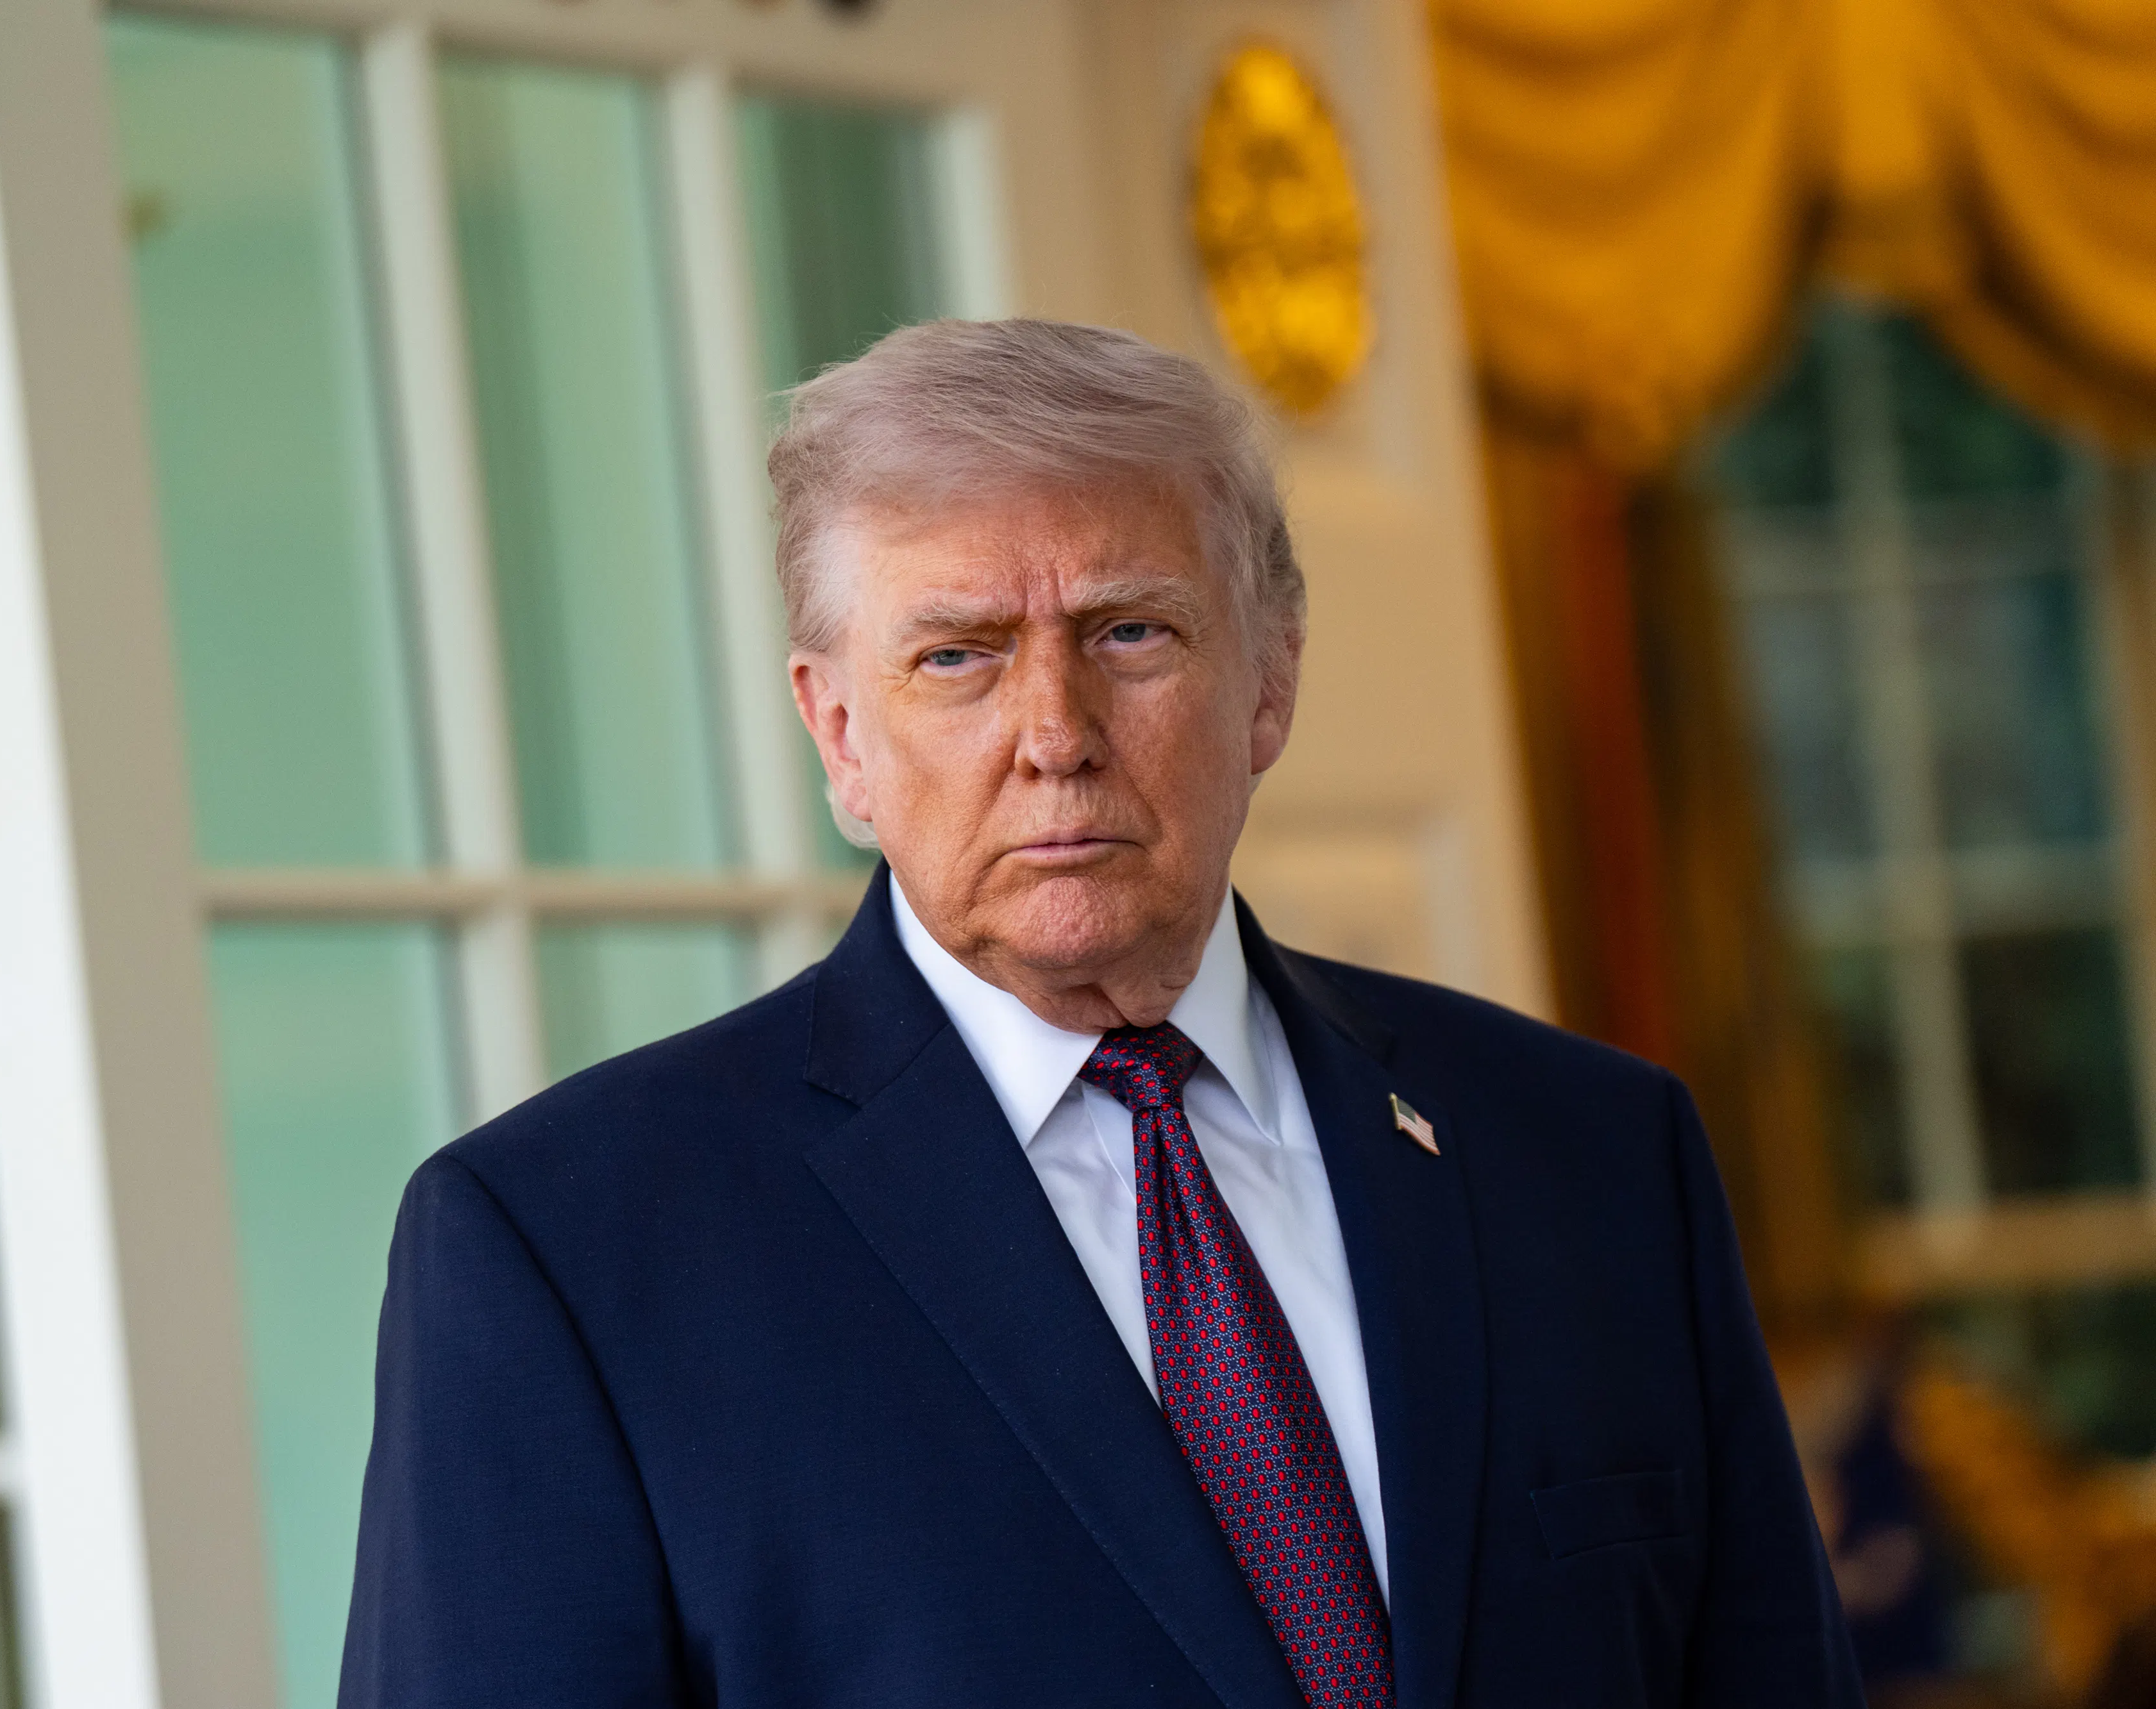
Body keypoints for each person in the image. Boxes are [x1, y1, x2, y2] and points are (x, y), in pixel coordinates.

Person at [338, 319, 1861, 1708]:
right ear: (839, 733)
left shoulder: (1595, 1154)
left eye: (1129, 632)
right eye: (958, 656)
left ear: (1268, 679)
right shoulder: (563, 1255)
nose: (1053, 735)